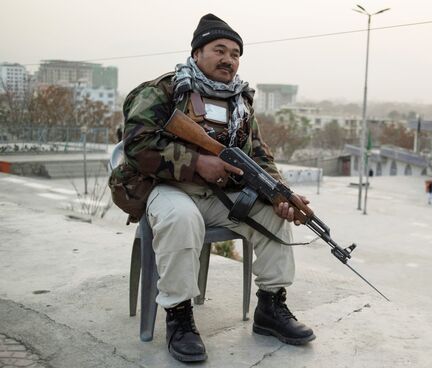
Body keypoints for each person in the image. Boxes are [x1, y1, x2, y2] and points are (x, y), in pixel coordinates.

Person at [122, 14, 314, 362]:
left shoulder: (240, 102)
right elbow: (135, 145)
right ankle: (179, 315)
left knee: (272, 216)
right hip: (168, 189)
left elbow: (260, 156)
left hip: (219, 195)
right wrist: (196, 163)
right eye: (219, 50)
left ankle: (270, 306)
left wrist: (281, 193)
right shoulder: (164, 91)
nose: (229, 59)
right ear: (197, 53)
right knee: (182, 219)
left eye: (236, 53)